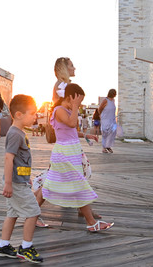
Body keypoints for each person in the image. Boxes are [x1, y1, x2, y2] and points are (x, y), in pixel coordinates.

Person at [40, 84, 111, 232]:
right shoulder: (59, 110)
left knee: (52, 185)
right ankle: (91, 223)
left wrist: (85, 135)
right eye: (79, 99)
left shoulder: (66, 110)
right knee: (75, 184)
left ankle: (30, 215)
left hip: (71, 151)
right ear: (71, 97)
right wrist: (75, 106)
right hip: (64, 153)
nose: (80, 103)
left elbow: (70, 130)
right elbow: (71, 123)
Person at [0, 94, 44, 263]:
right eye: (32, 113)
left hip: (18, 180)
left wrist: (26, 177)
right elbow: (9, 158)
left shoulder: (19, 132)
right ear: (18, 115)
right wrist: (8, 183)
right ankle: (26, 247)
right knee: (34, 212)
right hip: (14, 183)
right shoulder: (15, 134)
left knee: (13, 213)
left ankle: (3, 244)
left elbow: (20, 160)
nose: (35, 117)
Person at [98, 89, 118, 154]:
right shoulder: (105, 100)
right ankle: (104, 148)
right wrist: (100, 115)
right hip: (105, 119)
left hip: (112, 119)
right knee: (105, 133)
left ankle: (108, 146)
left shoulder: (113, 101)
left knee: (112, 133)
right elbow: (100, 109)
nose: (115, 95)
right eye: (114, 93)